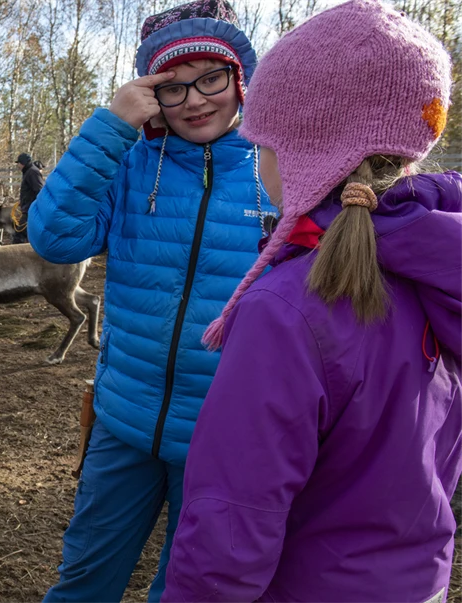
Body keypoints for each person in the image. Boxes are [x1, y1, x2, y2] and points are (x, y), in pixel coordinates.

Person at [164, 1, 461, 600]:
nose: (257, 161)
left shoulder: (287, 307)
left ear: (307, 152)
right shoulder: (442, 270)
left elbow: (233, 519)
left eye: (263, 145)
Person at [27, 0, 273, 600]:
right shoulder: (131, 164)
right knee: (85, 577)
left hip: (225, 436)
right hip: (123, 420)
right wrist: (110, 127)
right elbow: (54, 237)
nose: (193, 99)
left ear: (241, 79)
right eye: (172, 86)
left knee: (187, 586)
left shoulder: (277, 170)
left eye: (210, 78)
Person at [13, 152, 44, 243]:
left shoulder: (32, 172)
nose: (18, 165)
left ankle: (15, 256)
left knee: (19, 235)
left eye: (18, 163)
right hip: (29, 209)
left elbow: (40, 190)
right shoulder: (29, 172)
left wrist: (35, 206)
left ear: (23, 163)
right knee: (26, 234)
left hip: (31, 210)